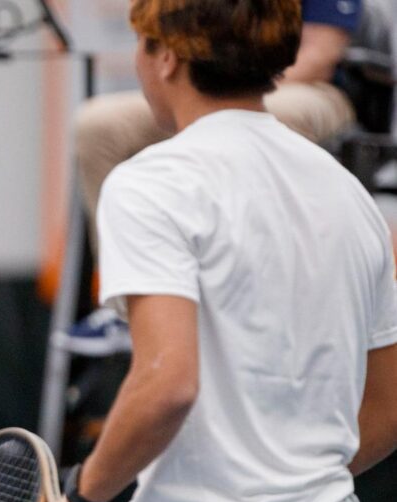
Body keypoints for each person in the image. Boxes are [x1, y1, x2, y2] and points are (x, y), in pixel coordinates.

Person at [16, 0, 397, 502]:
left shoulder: (151, 183)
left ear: (164, 57)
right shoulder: (353, 198)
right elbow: (389, 409)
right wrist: (292, 488)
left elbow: (167, 384)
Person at [66, 0, 362, 355]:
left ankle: (261, 295)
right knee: (98, 123)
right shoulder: (130, 190)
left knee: (271, 113)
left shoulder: (354, 208)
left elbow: (320, 54)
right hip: (209, 79)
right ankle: (129, 304)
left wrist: (237, 85)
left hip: (303, 87)